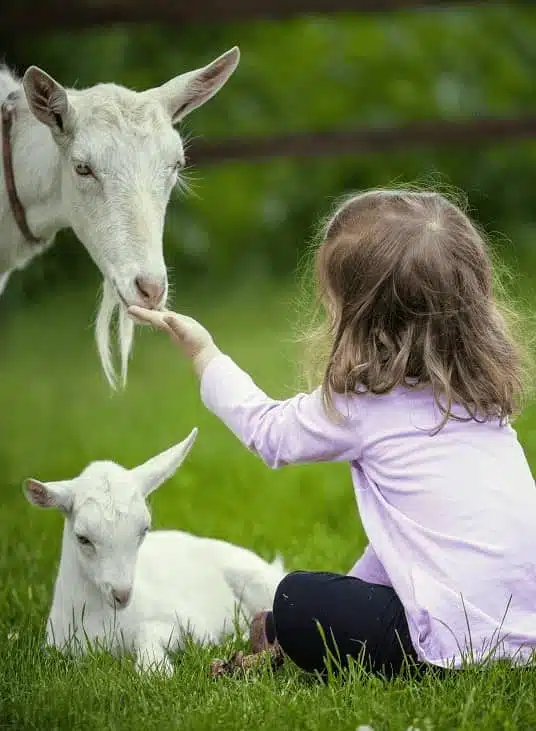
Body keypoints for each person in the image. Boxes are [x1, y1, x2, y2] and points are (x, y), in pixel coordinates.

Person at [129, 188, 536, 678]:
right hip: (523, 628)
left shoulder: (364, 406)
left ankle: (287, 636)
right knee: (313, 606)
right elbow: (409, 542)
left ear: (362, 317)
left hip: (450, 642)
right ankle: (284, 634)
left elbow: (268, 432)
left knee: (297, 599)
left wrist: (205, 356)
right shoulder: (482, 401)